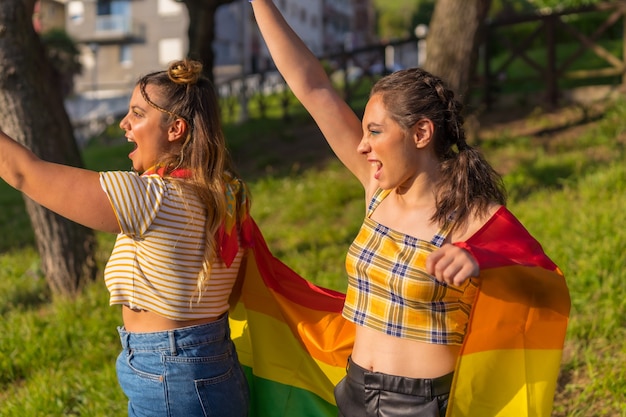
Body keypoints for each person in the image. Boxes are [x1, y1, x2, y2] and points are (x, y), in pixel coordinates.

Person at [247, 1, 543, 416]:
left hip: (420, 403)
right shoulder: (378, 191)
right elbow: (311, 85)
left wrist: (480, 256)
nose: (362, 145)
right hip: (352, 389)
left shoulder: (470, 216)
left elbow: (535, 272)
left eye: (375, 131)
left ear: (421, 132)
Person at [0, 59, 250, 417]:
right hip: (213, 365)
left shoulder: (153, 197)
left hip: (171, 372)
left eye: (137, 113)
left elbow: (25, 173)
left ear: (175, 128)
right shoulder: (226, 194)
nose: (124, 123)